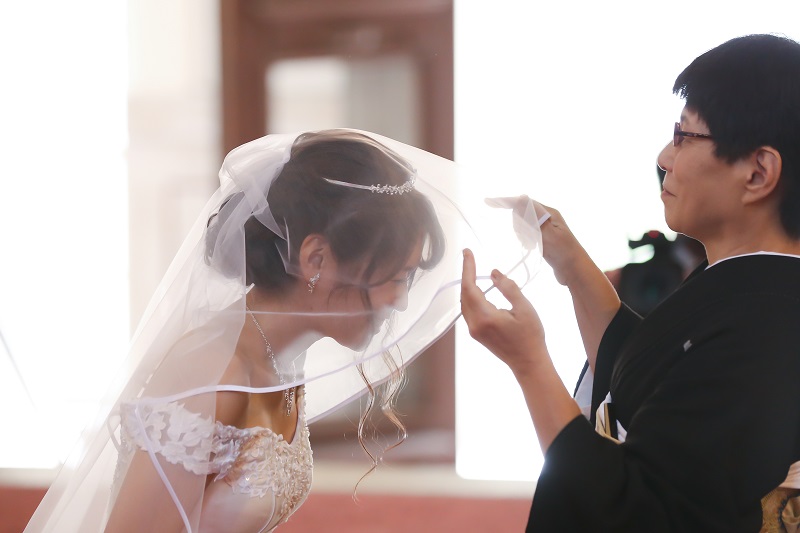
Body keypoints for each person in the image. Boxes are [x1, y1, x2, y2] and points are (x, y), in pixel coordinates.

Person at [24, 128, 542, 532]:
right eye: (395, 277)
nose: (401, 301)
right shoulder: (210, 373)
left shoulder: (281, 359)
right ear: (315, 257)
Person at [461, 34, 800, 532]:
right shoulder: (752, 289)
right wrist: (572, 265)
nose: (665, 156)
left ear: (758, 172)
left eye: (685, 136)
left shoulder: (767, 328)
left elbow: (637, 511)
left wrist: (529, 363)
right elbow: (642, 378)